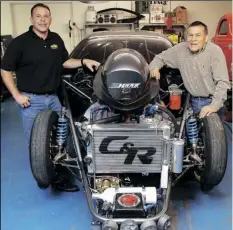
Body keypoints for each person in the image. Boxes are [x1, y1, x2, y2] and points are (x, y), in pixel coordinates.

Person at [1, 3, 100, 192]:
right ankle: (45, 178)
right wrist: (16, 95)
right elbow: (5, 69)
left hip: (53, 98)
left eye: (46, 16)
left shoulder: (55, 39)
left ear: (50, 19)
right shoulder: (20, 42)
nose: (42, 19)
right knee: (37, 144)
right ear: (31, 20)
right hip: (31, 101)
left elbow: (65, 61)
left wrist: (83, 61)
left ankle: (58, 173)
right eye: (38, 16)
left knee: (60, 139)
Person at [149, 21, 231, 120]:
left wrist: (214, 106)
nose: (193, 39)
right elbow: (159, 58)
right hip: (193, 101)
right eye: (190, 35)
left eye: (198, 35)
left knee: (213, 135)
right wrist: (154, 67)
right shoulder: (180, 50)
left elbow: (223, 82)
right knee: (191, 134)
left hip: (213, 101)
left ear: (206, 38)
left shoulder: (214, 51)